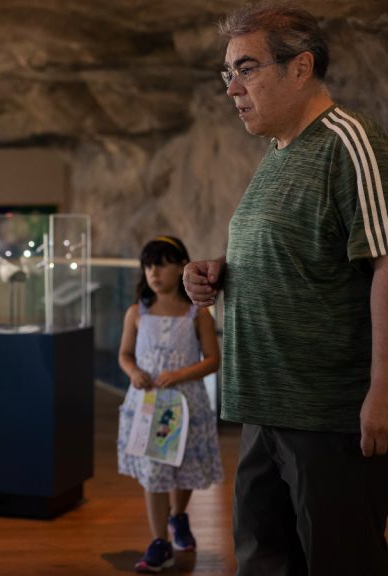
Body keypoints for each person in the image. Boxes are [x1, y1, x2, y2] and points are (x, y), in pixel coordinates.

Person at [182, 3, 388, 574]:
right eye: (227, 74)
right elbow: (296, 251)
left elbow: (385, 265)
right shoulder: (276, 153)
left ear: (300, 68)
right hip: (262, 410)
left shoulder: (349, 141)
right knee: (263, 560)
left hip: (327, 418)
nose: (232, 88)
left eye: (245, 69)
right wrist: (217, 270)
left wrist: (383, 391)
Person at [117, 236, 222, 573]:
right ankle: (159, 540)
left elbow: (213, 360)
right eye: (148, 265)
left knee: (183, 467)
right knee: (155, 472)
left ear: (181, 266)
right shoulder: (137, 312)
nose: (154, 272)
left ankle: (178, 516)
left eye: (161, 263)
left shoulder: (197, 314)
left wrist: (179, 373)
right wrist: (133, 372)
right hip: (148, 405)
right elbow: (125, 354)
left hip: (185, 405)